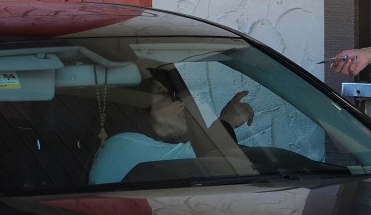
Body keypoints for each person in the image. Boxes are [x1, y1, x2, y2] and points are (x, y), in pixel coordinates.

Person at [88, 78, 254, 184]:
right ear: (136, 103)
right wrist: (228, 120)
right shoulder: (121, 144)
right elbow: (209, 157)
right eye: (164, 93)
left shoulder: (154, 151)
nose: (181, 104)